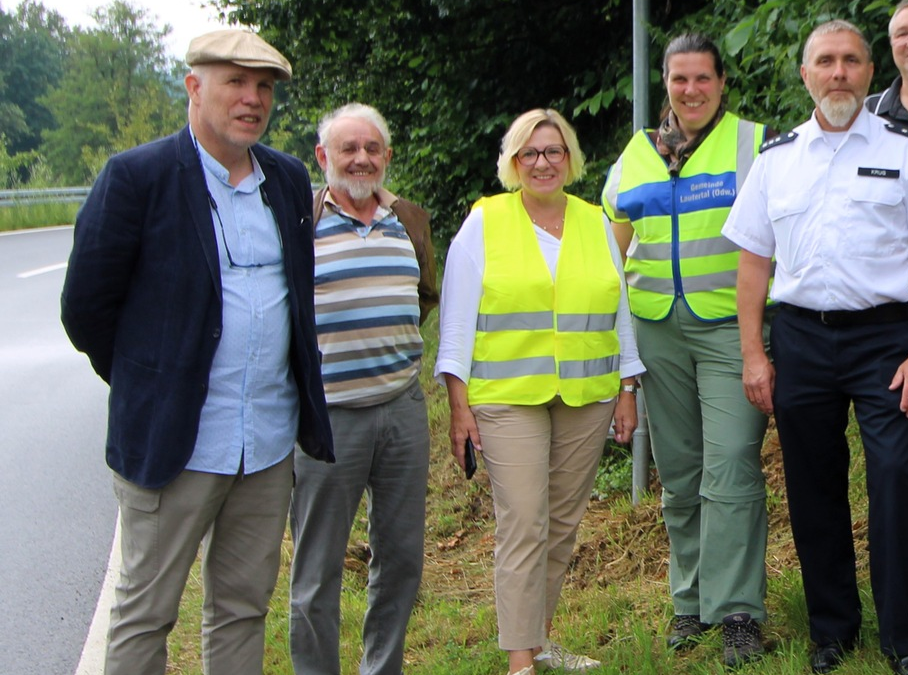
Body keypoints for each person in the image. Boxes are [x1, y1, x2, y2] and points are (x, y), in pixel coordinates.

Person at [60, 29, 334, 674]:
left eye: (263, 87)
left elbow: (296, 299)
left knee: (243, 607)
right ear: (194, 87)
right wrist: (151, 380)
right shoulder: (137, 177)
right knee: (145, 612)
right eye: (235, 82)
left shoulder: (288, 179)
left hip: (265, 442)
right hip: (174, 444)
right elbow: (86, 309)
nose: (252, 98)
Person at [724, 20, 908, 675]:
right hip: (800, 338)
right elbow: (751, 265)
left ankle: (902, 634)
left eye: (850, 61)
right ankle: (831, 629)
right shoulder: (776, 159)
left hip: (886, 338)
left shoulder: (906, 151)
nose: (838, 73)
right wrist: (753, 353)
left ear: (867, 71)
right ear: (805, 74)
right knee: (812, 484)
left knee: (892, 476)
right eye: (825, 61)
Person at [435, 108, 644, 675]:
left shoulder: (594, 220)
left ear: (570, 159)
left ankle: (542, 639)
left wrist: (628, 386)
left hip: (588, 394)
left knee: (560, 523)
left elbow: (618, 309)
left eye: (553, 151)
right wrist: (459, 406)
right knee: (524, 519)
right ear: (513, 162)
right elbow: (455, 320)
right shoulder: (485, 222)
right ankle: (519, 660)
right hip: (506, 396)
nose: (543, 162)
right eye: (530, 152)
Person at [600, 33, 774, 668]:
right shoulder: (636, 154)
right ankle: (691, 601)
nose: (691, 90)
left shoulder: (753, 145)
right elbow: (610, 252)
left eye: (703, 78)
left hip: (732, 327)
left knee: (730, 463)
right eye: (680, 80)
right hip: (656, 329)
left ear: (722, 82)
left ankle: (738, 613)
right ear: (665, 83)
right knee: (680, 473)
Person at [289, 103, 439, 674]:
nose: (361, 158)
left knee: (400, 559)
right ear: (324, 157)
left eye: (372, 148)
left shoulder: (409, 220)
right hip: (328, 419)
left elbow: (423, 295)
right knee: (316, 568)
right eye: (348, 149)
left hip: (402, 410)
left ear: (387, 158)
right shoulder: (299, 221)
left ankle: (383, 668)